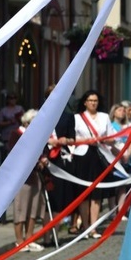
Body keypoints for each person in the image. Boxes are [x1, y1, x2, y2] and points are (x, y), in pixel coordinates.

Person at [72, 90, 121, 238]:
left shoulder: (104, 117)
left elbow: (112, 136)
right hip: (83, 157)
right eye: (90, 100)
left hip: (99, 155)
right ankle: (85, 226)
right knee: (84, 193)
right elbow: (73, 138)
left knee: (97, 194)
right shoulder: (77, 118)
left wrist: (105, 139)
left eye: (95, 100)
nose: (93, 103)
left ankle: (93, 227)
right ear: (85, 102)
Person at [7, 109, 46, 252]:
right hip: (22, 178)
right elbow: (15, 154)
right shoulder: (16, 134)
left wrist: (43, 160)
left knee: (33, 208)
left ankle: (29, 239)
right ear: (26, 122)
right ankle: (19, 241)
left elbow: (43, 151)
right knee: (21, 209)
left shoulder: (37, 136)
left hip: (35, 176)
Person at [44, 84, 77, 246]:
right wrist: (49, 140)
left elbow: (73, 138)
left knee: (57, 199)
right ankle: (45, 236)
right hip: (44, 160)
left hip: (60, 161)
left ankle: (55, 234)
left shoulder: (67, 116)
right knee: (46, 201)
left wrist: (66, 140)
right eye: (51, 94)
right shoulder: (41, 115)